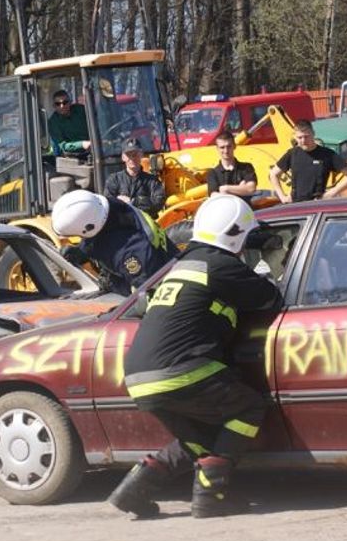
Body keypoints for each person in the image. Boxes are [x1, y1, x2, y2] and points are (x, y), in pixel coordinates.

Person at [107, 194, 281, 519]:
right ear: (237, 235)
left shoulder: (182, 265)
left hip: (139, 378)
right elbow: (270, 298)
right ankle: (210, 496)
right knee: (249, 408)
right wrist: (270, 258)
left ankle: (133, 489)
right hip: (183, 370)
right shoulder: (222, 265)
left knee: (201, 438)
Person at [52, 190, 176, 295]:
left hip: (166, 283)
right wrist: (82, 251)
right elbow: (98, 235)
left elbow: (147, 292)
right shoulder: (108, 209)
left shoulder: (130, 252)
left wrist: (111, 283)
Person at [269, 120, 347, 203]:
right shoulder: (292, 154)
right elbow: (273, 174)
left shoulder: (327, 154)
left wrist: (331, 193)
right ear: (295, 137)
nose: (303, 140)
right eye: (300, 137)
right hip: (296, 205)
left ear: (313, 134)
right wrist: (282, 197)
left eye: (306, 136)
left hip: (317, 205)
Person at [104, 138, 166, 216]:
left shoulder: (153, 181)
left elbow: (159, 203)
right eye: (128, 155)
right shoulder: (114, 180)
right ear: (123, 157)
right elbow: (108, 203)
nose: (132, 158)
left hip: (145, 225)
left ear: (141, 155)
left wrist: (134, 202)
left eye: (135, 154)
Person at [206, 130, 257, 199]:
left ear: (234, 146)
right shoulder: (212, 173)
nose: (226, 151)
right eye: (222, 147)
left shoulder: (246, 168)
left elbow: (251, 189)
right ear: (217, 149)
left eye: (229, 146)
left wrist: (225, 189)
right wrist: (241, 189)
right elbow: (214, 196)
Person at [47, 89, 90, 156]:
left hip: (94, 151)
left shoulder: (81, 110)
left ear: (70, 102)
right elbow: (63, 146)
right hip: (71, 157)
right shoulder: (53, 122)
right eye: (58, 104)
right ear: (54, 106)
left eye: (65, 102)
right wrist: (82, 144)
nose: (62, 106)